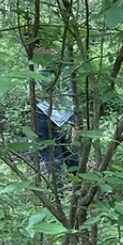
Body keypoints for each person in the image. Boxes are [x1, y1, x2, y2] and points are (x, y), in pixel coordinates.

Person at [34, 45, 77, 174]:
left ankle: (58, 189)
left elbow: (44, 84)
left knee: (51, 154)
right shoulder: (64, 58)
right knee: (70, 152)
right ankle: (78, 186)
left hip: (47, 112)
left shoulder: (47, 61)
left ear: (38, 47)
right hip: (68, 112)